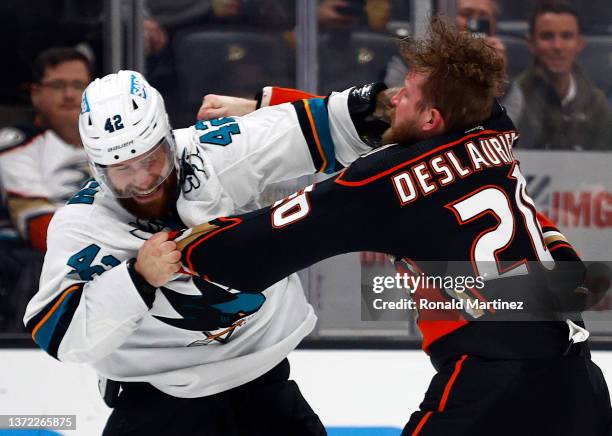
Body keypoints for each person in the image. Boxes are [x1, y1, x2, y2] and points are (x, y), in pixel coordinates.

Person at [167, 19, 611, 435]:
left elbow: (260, 243)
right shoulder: (492, 125)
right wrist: (265, 107)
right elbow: (397, 126)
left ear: (432, 119)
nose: (394, 97)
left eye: (408, 94)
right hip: (577, 375)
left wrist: (178, 244)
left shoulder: (379, 184)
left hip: (491, 379)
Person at [23, 69, 388, 435]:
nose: (141, 181)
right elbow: (59, 334)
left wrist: (388, 107)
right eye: (121, 169)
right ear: (97, 169)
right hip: (157, 401)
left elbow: (329, 125)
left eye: (151, 160)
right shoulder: (82, 224)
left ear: (168, 140)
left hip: (263, 384)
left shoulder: (217, 151)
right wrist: (137, 279)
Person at [0, 47, 92, 332]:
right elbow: (37, 225)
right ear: (36, 94)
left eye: (78, 86)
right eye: (57, 85)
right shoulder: (17, 142)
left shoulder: (119, 143)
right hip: (43, 264)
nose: (69, 95)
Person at [502, 0, 612, 150]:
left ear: (579, 44)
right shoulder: (512, 100)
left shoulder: (596, 104)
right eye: (547, 36)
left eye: (566, 36)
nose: (557, 46)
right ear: (531, 44)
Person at [385, 0, 506, 88]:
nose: (474, 23)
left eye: (483, 17)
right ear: (447, 16)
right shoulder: (411, 61)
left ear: (494, 25)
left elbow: (511, 116)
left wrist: (496, 75)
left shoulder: (502, 66)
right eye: (466, 14)